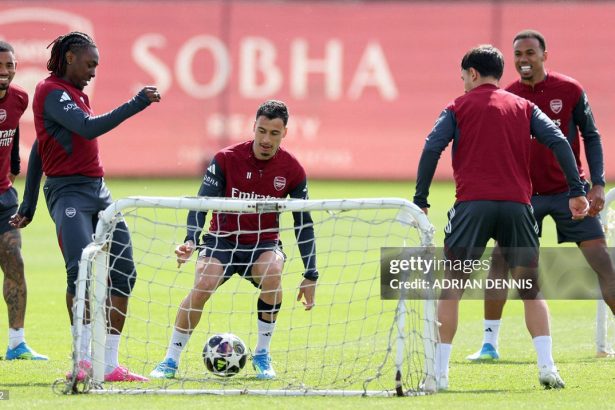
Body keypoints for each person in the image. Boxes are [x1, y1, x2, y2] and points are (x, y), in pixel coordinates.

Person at [413, 45, 589, 390]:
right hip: (517, 206)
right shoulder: (524, 107)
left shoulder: (457, 107)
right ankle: (547, 367)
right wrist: (576, 189)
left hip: (472, 206)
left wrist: (421, 199)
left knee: (452, 286)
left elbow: (432, 147)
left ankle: (439, 374)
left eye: (463, 76)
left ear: (472, 73)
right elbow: (559, 141)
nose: (463, 82)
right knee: (530, 288)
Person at [9, 32, 161, 380]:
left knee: (124, 273)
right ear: (70, 58)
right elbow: (87, 129)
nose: (93, 72)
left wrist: (29, 203)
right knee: (80, 273)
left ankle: (109, 364)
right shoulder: (50, 91)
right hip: (68, 194)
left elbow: (40, 148)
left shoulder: (77, 94)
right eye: (90, 64)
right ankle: (82, 361)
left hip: (99, 192)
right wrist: (137, 103)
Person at [467, 29, 615, 362]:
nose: (524, 60)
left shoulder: (570, 90)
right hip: (524, 196)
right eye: (518, 54)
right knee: (500, 262)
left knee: (603, 262)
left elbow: (591, 136)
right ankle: (489, 344)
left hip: (570, 193)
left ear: (544, 56)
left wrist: (598, 183)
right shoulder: (507, 96)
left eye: (530, 53)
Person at [150, 100, 318, 380]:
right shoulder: (226, 159)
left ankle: (262, 355)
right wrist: (191, 240)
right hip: (222, 240)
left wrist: (311, 273)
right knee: (203, 284)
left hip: (263, 244)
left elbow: (303, 223)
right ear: (254, 127)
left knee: (273, 272)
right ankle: (170, 360)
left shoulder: (292, 169)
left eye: (274, 134)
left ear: (285, 133)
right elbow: (201, 204)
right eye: (261, 131)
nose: (266, 140)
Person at [0, 41, 47, 361]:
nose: (4, 72)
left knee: (14, 261)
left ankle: (17, 343)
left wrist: (15, 167)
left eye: (10, 65)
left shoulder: (19, 98)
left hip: (4, 197)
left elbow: (13, 130)